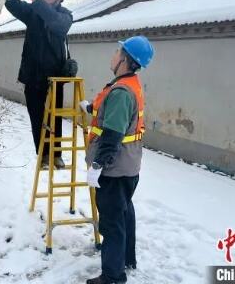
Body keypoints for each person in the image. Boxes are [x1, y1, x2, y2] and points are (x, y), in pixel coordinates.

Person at [83, 36, 154, 284]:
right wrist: (93, 108)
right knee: (124, 212)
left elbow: (112, 135)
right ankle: (126, 259)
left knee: (112, 222)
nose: (113, 55)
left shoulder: (121, 92)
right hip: (129, 164)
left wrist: (98, 166)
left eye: (117, 51)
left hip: (115, 168)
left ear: (125, 60)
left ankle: (113, 276)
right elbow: (116, 116)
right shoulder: (129, 84)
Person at [5, 0, 73, 169]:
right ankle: (43, 156)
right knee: (37, 117)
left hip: (54, 78)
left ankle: (56, 154)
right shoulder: (34, 13)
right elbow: (14, 6)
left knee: (55, 117)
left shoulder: (65, 16)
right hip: (33, 76)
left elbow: (53, 21)